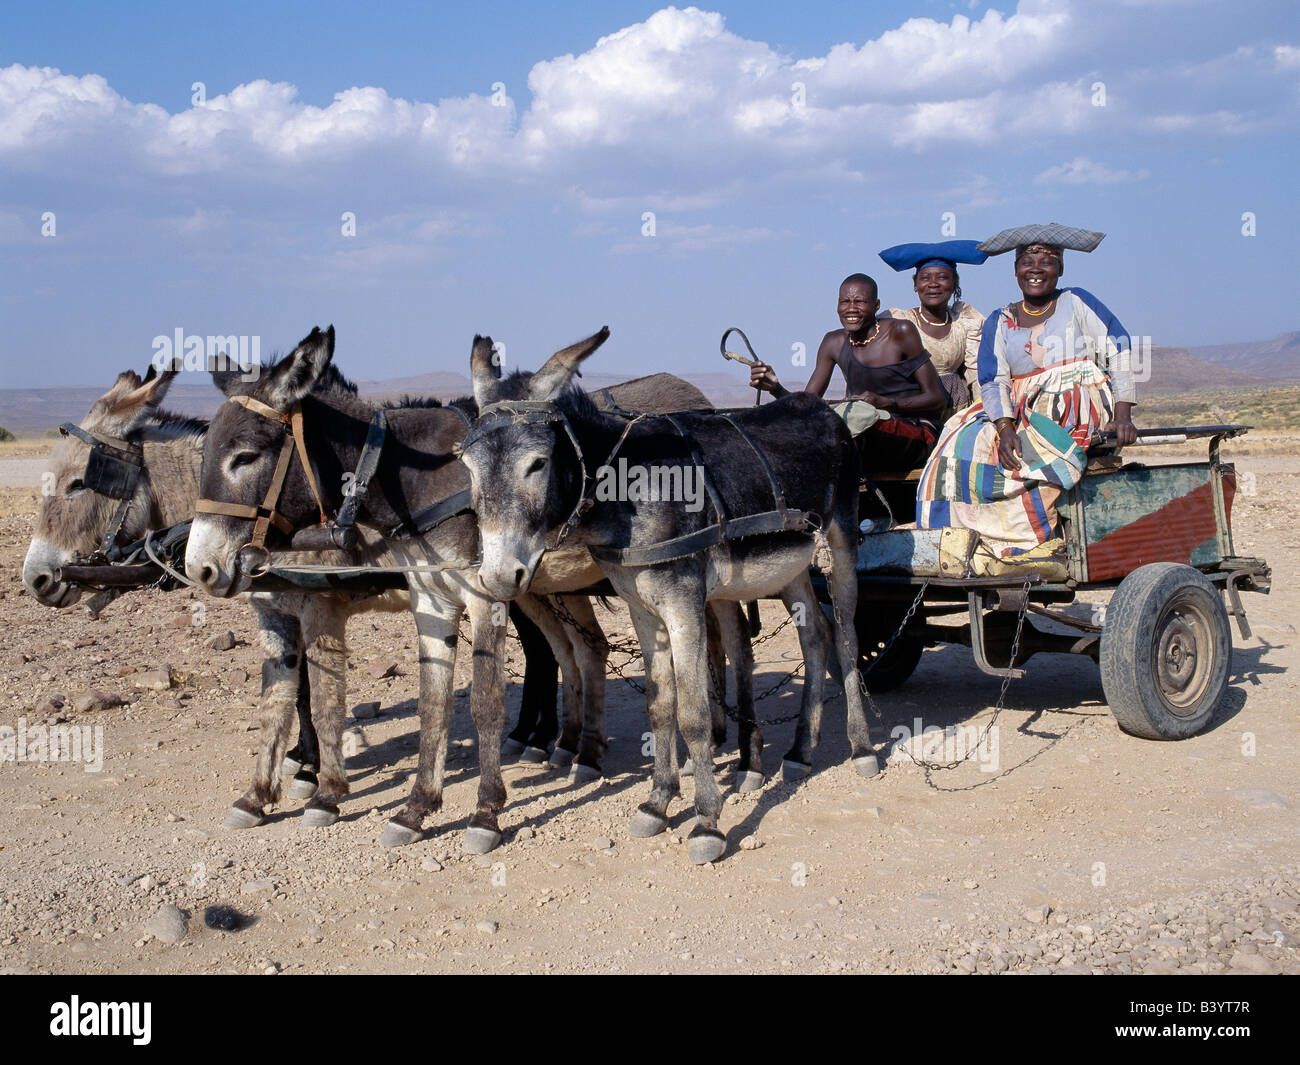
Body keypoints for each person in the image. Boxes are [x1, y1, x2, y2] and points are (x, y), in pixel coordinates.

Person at [915, 223, 1138, 558]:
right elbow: (994, 380)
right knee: (958, 441)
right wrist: (1004, 427)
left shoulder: (1076, 301)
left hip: (1073, 399)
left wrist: (1123, 413)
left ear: (1060, 269)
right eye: (1026, 264)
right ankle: (963, 543)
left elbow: (1119, 348)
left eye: (1046, 263)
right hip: (1018, 406)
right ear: (1015, 271)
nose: (1035, 270)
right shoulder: (1000, 319)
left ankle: (1027, 542)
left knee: (1038, 446)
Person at [749, 273, 947, 473]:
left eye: (860, 301)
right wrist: (775, 388)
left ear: (876, 305)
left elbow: (938, 399)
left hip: (914, 431)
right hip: (860, 428)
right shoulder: (832, 342)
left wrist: (888, 403)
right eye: (845, 302)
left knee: (848, 429)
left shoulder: (900, 331)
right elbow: (807, 405)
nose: (851, 309)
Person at [878, 239, 988, 411]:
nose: (933, 283)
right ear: (916, 285)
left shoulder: (965, 322)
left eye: (942, 277)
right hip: (910, 408)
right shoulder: (898, 321)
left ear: (954, 284)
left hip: (955, 409)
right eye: (925, 278)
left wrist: (983, 410)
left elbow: (977, 372)